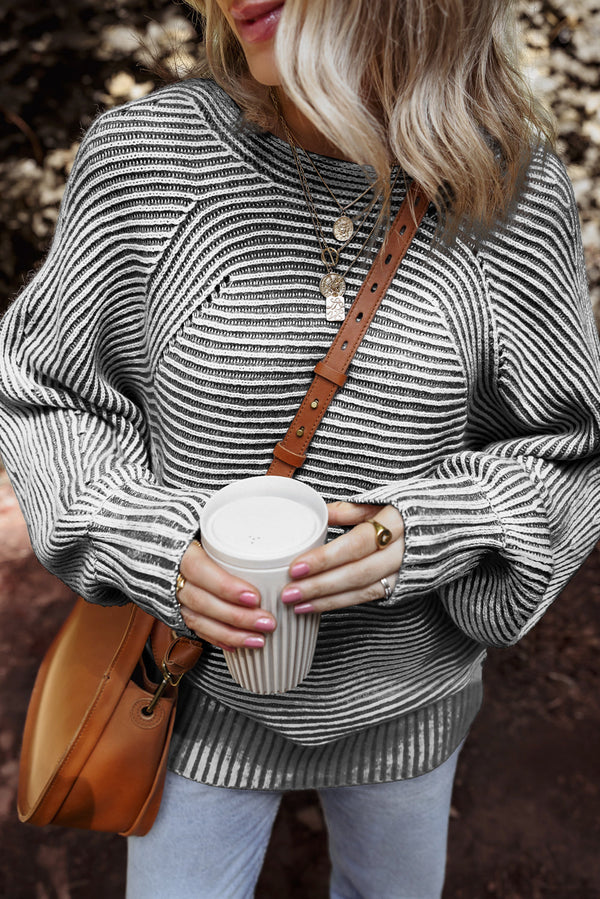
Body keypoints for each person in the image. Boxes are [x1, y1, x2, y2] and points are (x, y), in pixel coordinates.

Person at [1, 0, 599, 896]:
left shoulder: (509, 189)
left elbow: (567, 450)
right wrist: (152, 542)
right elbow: (44, 390)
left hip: (409, 700)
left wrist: (425, 530)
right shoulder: (146, 159)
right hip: (188, 695)